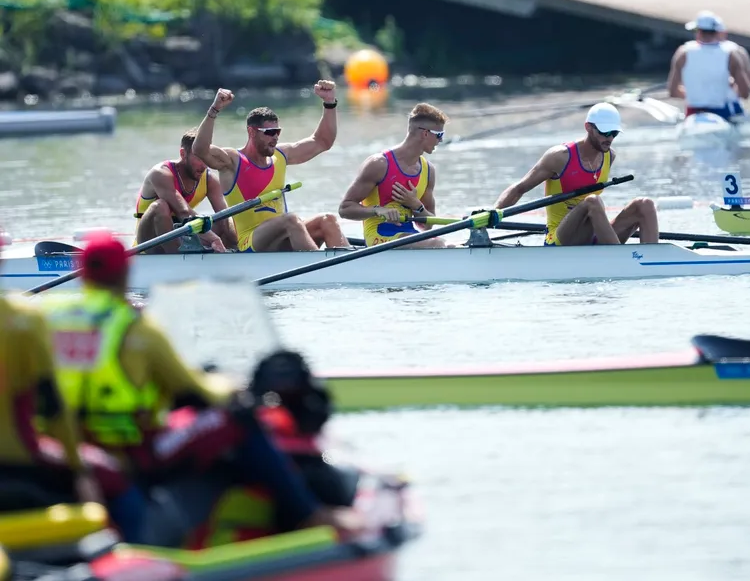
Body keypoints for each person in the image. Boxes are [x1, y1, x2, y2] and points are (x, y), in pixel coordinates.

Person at [40, 230, 359, 540]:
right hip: (132, 449)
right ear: (125, 272)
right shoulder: (135, 327)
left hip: (73, 445)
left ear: (82, 275)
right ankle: (306, 514)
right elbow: (195, 387)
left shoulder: (55, 319)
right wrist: (230, 387)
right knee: (236, 416)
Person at [0, 237, 147, 541]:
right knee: (118, 483)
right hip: (18, 457)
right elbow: (51, 403)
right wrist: (78, 468)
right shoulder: (22, 320)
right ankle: (137, 551)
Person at [192, 82, 351, 252]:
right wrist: (214, 110)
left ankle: (350, 267)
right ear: (251, 132)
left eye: (277, 131)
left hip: (284, 233)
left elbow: (322, 141)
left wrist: (329, 102)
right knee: (291, 220)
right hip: (251, 242)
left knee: (328, 220)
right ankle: (321, 268)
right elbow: (200, 150)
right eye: (269, 132)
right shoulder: (232, 161)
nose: (275, 137)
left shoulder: (281, 155)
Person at [493, 103, 659, 246]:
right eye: (604, 132)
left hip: (592, 234)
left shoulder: (609, 156)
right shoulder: (560, 157)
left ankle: (654, 260)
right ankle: (617, 258)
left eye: (614, 133)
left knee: (644, 204)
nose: (609, 138)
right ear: (588, 127)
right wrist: (493, 213)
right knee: (592, 201)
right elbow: (519, 189)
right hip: (561, 238)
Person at [338, 103, 450, 247]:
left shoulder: (428, 171)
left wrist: (416, 205)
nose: (441, 140)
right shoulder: (379, 164)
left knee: (452, 246)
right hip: (379, 239)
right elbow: (345, 209)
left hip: (409, 236)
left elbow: (428, 226)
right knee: (439, 244)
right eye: (439, 135)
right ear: (425, 133)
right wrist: (378, 210)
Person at [134, 129, 236, 254]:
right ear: (183, 154)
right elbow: (183, 211)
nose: (204, 165)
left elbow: (223, 217)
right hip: (149, 241)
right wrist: (212, 238)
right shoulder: (160, 174)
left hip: (181, 234)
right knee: (160, 206)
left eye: (206, 158)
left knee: (225, 222)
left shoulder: (209, 180)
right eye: (199, 158)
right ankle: (177, 259)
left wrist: (238, 241)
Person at [667, 10, 750, 120]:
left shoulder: (682, 53)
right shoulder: (731, 54)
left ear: (698, 32)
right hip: (723, 114)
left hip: (693, 114)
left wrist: (697, 95)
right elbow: (745, 93)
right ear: (717, 32)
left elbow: (673, 92)